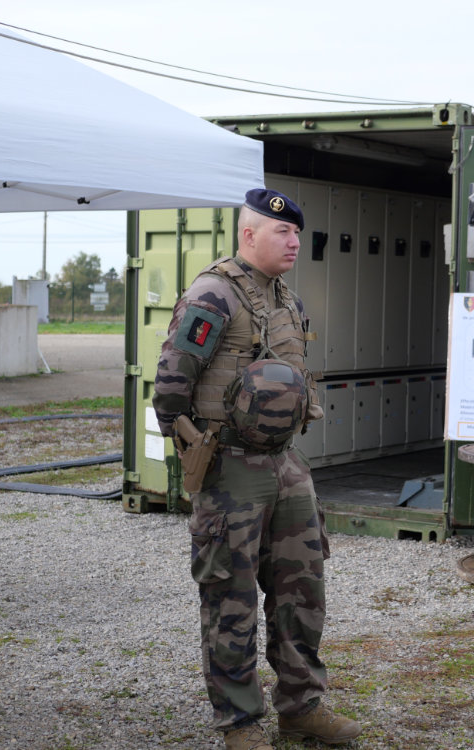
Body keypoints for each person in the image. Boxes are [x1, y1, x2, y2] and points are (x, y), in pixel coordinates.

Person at [153, 188, 361, 749]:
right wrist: (198, 449)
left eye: (296, 232)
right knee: (231, 598)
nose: (294, 241)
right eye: (281, 232)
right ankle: (240, 722)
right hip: (230, 469)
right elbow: (170, 387)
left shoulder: (283, 297)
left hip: (285, 464)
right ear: (249, 234)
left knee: (301, 591)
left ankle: (301, 707)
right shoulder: (213, 294)